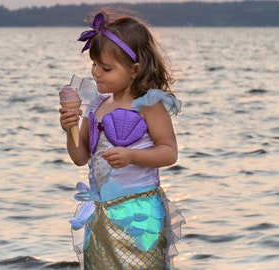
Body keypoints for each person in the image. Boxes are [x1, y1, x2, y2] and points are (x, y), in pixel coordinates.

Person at [59, 10, 185, 270]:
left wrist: (132, 156)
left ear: (135, 69)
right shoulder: (97, 106)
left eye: (106, 68)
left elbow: (169, 152)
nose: (96, 73)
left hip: (139, 215)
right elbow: (80, 157)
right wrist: (70, 130)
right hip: (101, 215)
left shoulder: (148, 105)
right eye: (94, 65)